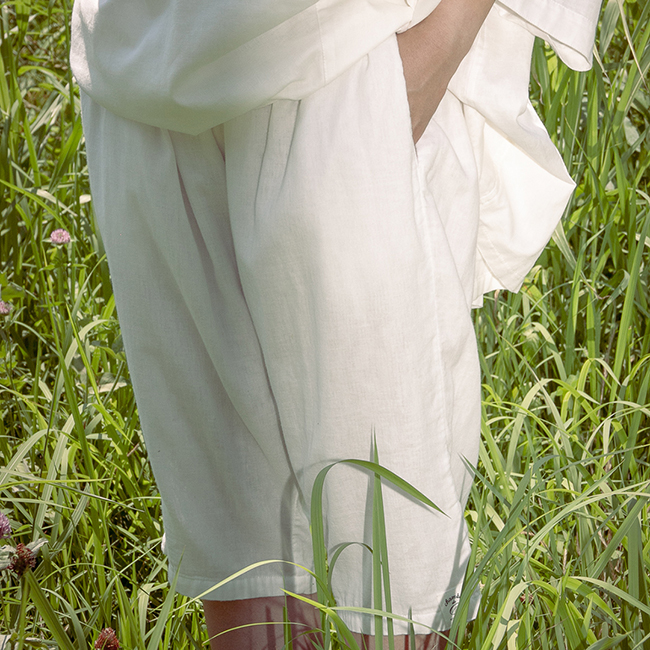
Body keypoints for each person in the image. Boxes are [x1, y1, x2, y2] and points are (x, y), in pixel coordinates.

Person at [70, 0, 601, 647]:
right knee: (247, 567)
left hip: (337, 67)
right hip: (142, 67)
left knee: (388, 580)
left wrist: (442, 42)